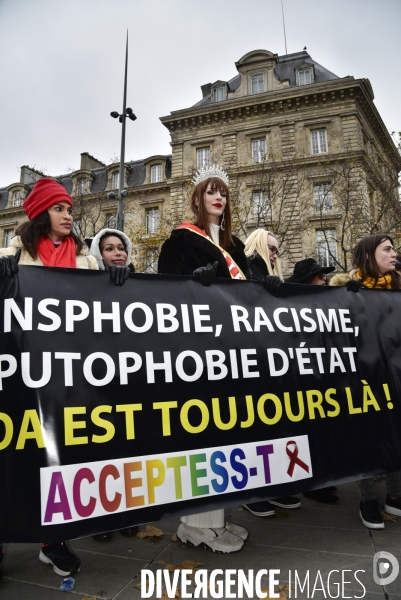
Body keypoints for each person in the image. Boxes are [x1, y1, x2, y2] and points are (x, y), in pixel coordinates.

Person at [0, 178, 98, 578]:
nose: (68, 215)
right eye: (60, 208)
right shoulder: (12, 254)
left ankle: (52, 539)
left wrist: (117, 280)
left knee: (56, 456)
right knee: (13, 458)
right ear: (42, 213)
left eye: (70, 209)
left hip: (67, 376)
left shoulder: (85, 259)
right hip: (20, 375)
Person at [158, 165, 253, 553]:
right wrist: (189, 285)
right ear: (197, 198)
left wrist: (271, 284)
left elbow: (251, 294)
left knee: (227, 430)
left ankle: (217, 518)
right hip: (196, 349)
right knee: (203, 430)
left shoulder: (237, 245)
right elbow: (163, 296)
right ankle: (196, 523)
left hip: (232, 348)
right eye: (211, 192)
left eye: (224, 194)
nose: (219, 198)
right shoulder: (178, 242)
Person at [330, 234, 401, 528]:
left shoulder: (398, 286)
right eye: (387, 249)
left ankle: (396, 496)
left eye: (394, 248)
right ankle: (368, 499)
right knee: (367, 438)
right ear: (370, 255)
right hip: (361, 379)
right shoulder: (344, 290)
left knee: (395, 433)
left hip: (394, 376)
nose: (394, 252)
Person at [242, 229, 302, 517]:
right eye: (271, 249)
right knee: (252, 428)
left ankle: (273, 485)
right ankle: (251, 490)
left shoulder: (275, 278)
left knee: (272, 427)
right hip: (246, 363)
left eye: (278, 250)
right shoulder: (243, 272)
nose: (275, 254)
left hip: (271, 363)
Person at [88, 228, 138, 541]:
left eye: (121, 248)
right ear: (98, 254)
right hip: (94, 383)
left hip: (128, 381)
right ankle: (100, 518)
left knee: (127, 448)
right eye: (109, 248)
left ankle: (125, 512)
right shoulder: (85, 285)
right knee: (98, 451)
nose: (117, 253)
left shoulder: (140, 284)